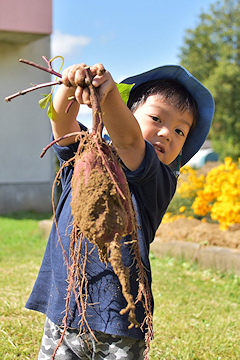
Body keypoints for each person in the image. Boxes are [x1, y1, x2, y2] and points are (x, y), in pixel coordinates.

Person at [26, 63, 214, 360]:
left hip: (120, 318)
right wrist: (69, 85)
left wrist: (108, 92)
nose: (166, 132)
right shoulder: (88, 152)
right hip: (65, 308)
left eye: (180, 131)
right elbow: (62, 127)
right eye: (156, 118)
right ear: (128, 113)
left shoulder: (157, 178)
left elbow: (128, 141)